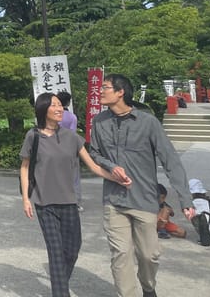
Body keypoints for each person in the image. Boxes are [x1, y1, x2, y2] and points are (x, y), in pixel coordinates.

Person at [89, 73, 195, 297]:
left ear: (121, 92)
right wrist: (111, 166)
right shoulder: (99, 121)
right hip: (113, 201)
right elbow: (95, 153)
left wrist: (185, 199)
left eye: (106, 87)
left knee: (149, 255)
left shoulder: (148, 123)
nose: (101, 91)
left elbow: (170, 161)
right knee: (121, 254)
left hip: (144, 199)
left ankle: (148, 287)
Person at [20, 93, 132, 297]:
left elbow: (93, 166)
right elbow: (25, 167)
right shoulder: (33, 136)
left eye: (61, 105)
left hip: (69, 202)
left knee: (72, 250)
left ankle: (59, 281)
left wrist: (116, 178)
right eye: (54, 105)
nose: (60, 108)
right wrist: (26, 199)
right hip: (44, 203)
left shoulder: (71, 137)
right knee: (55, 253)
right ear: (43, 109)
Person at [57, 90, 83, 208]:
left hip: (55, 149)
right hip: (70, 149)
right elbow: (72, 134)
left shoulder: (53, 116)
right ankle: (76, 202)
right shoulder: (72, 117)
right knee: (74, 177)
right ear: (68, 103)